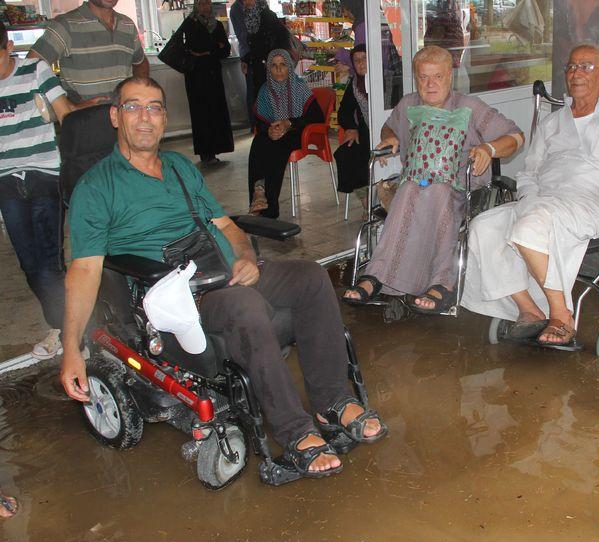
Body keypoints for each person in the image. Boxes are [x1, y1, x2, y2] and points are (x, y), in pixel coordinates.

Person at [60, 76, 387, 477]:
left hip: (221, 270)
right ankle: (295, 431)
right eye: (133, 106)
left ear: (164, 118)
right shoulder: (96, 187)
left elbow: (227, 226)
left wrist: (245, 257)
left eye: (155, 107)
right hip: (176, 296)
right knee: (245, 305)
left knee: (311, 276)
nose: (145, 117)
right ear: (115, 116)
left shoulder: (179, 166)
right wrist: (71, 346)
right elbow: (85, 269)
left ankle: (332, 402)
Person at [461, 44, 599, 349]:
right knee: (483, 226)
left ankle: (561, 314)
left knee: (528, 227)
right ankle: (528, 309)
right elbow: (529, 172)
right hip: (543, 199)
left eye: (587, 67)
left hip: (593, 200)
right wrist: (528, 199)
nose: (576, 73)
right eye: (571, 67)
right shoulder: (552, 123)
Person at [342, 45, 522, 313]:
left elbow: (516, 136)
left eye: (437, 76)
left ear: (450, 76)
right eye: (423, 77)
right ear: (416, 78)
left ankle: (443, 282)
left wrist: (489, 148)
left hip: (461, 190)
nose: (430, 84)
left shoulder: (469, 107)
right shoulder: (409, 103)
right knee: (409, 189)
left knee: (433, 191)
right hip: (415, 186)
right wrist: (390, 135)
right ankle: (377, 276)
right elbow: (389, 124)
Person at [0, 22, 75, 359]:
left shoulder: (35, 70)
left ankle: (67, 334)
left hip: (44, 174)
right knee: (30, 266)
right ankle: (66, 326)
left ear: (6, 47)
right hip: (6, 182)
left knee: (48, 264)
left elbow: (66, 116)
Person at [29, 0, 149, 203]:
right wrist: (67, 105)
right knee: (91, 202)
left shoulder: (127, 25)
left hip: (124, 129)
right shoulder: (65, 25)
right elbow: (31, 68)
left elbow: (140, 62)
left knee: (132, 196)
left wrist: (139, 96)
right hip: (86, 134)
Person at [247, 49, 324, 218]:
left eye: (283, 65)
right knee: (259, 142)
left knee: (277, 146)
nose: (279, 69)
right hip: (274, 131)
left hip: (297, 132)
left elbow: (316, 116)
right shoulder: (265, 90)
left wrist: (289, 123)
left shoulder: (300, 86)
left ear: (290, 66)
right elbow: (259, 120)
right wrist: (269, 129)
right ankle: (258, 192)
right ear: (269, 69)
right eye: (274, 66)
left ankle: (269, 209)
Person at [182, 0, 234, 165]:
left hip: (213, 76)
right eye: (201, 4)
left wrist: (208, 50)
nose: (205, 7)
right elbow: (193, 47)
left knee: (216, 112)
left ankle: (217, 149)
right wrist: (212, 47)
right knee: (201, 115)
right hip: (196, 78)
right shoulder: (190, 24)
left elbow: (225, 50)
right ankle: (206, 153)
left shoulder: (216, 25)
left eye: (207, 4)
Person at [334, 44, 370, 203]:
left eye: (364, 59)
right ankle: (365, 200)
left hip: (387, 129)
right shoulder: (355, 84)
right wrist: (351, 128)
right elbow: (343, 111)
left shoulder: (385, 78)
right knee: (347, 152)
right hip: (363, 130)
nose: (361, 63)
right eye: (357, 60)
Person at [230, 0, 267, 126]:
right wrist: (246, 57)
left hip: (264, 54)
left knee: (264, 88)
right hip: (250, 55)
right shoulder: (237, 8)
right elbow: (243, 35)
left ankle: (264, 121)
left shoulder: (260, 4)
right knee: (254, 89)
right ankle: (255, 123)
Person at [243, 4, 291, 95]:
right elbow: (256, 46)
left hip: (271, 69)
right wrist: (247, 59)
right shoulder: (250, 17)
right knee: (262, 99)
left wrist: (273, 59)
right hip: (258, 68)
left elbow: (283, 38)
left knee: (273, 100)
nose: (245, 2)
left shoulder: (267, 16)